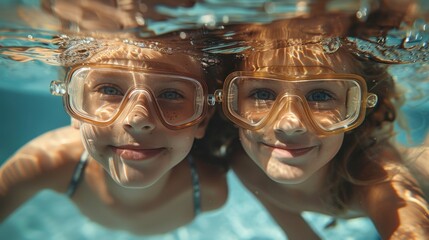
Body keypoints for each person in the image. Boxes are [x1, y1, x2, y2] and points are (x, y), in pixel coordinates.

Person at [212, 15, 429, 239]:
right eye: (262, 94)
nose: (289, 124)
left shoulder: (373, 172)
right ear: (231, 102)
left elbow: (409, 227)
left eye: (320, 96)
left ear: (355, 108)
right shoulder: (245, 165)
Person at [0, 40, 228, 235]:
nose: (138, 119)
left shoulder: (211, 191)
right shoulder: (45, 160)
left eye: (171, 94)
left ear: (203, 119)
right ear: (73, 107)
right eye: (110, 90)